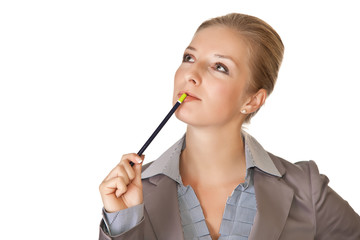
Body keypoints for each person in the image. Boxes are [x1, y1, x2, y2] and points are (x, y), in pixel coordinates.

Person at [98, 13, 360, 240]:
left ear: (252, 100)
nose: (191, 74)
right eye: (189, 57)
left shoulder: (306, 188)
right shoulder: (135, 192)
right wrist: (124, 221)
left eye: (219, 67)